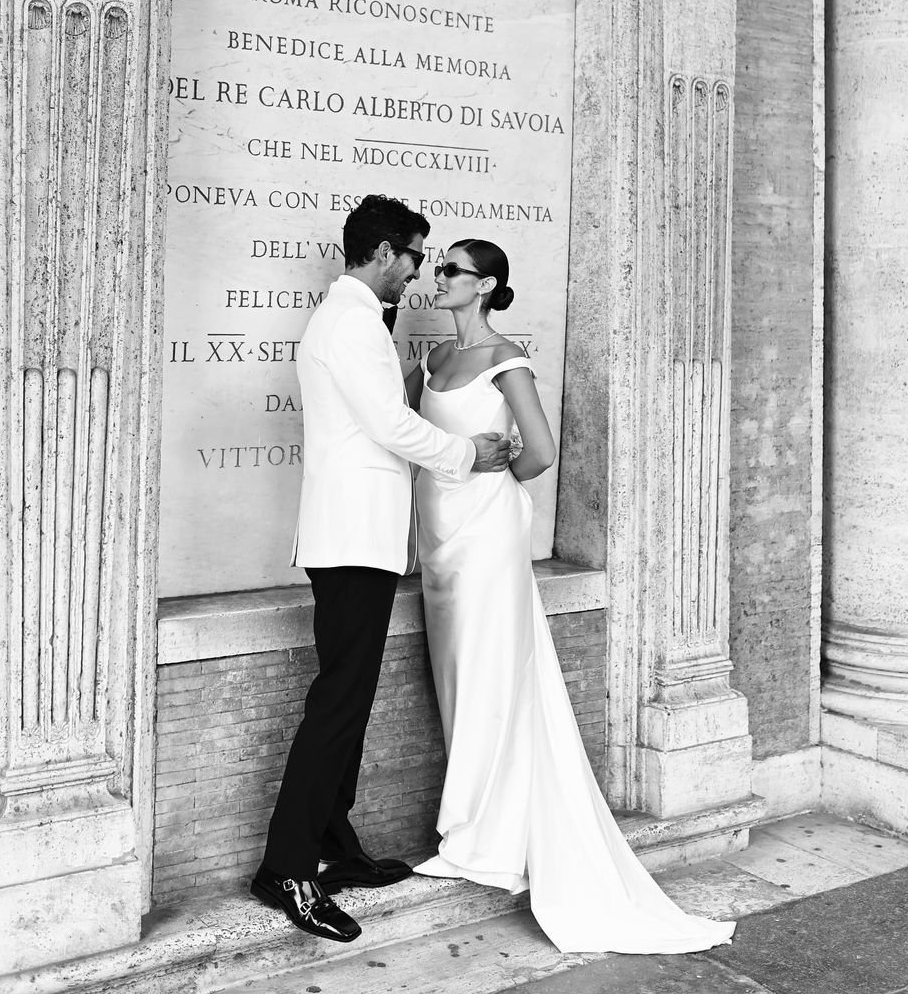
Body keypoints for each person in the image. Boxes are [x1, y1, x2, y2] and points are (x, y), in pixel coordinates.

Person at [405, 238, 735, 954]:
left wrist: (488, 477)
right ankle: (473, 827)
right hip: (438, 533)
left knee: (491, 671)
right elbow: (418, 441)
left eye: (452, 270)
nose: (440, 277)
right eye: (438, 267)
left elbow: (540, 453)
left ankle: (481, 839)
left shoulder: (506, 359)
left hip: (486, 531)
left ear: (485, 285)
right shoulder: (432, 359)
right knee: (455, 674)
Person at [251, 199, 511, 944]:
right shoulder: (351, 320)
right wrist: (468, 454)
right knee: (337, 705)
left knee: (350, 701)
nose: (419, 273)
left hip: (359, 538)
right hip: (349, 540)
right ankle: (287, 869)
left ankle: (335, 845)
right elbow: (390, 425)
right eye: (417, 257)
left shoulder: (357, 319)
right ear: (387, 252)